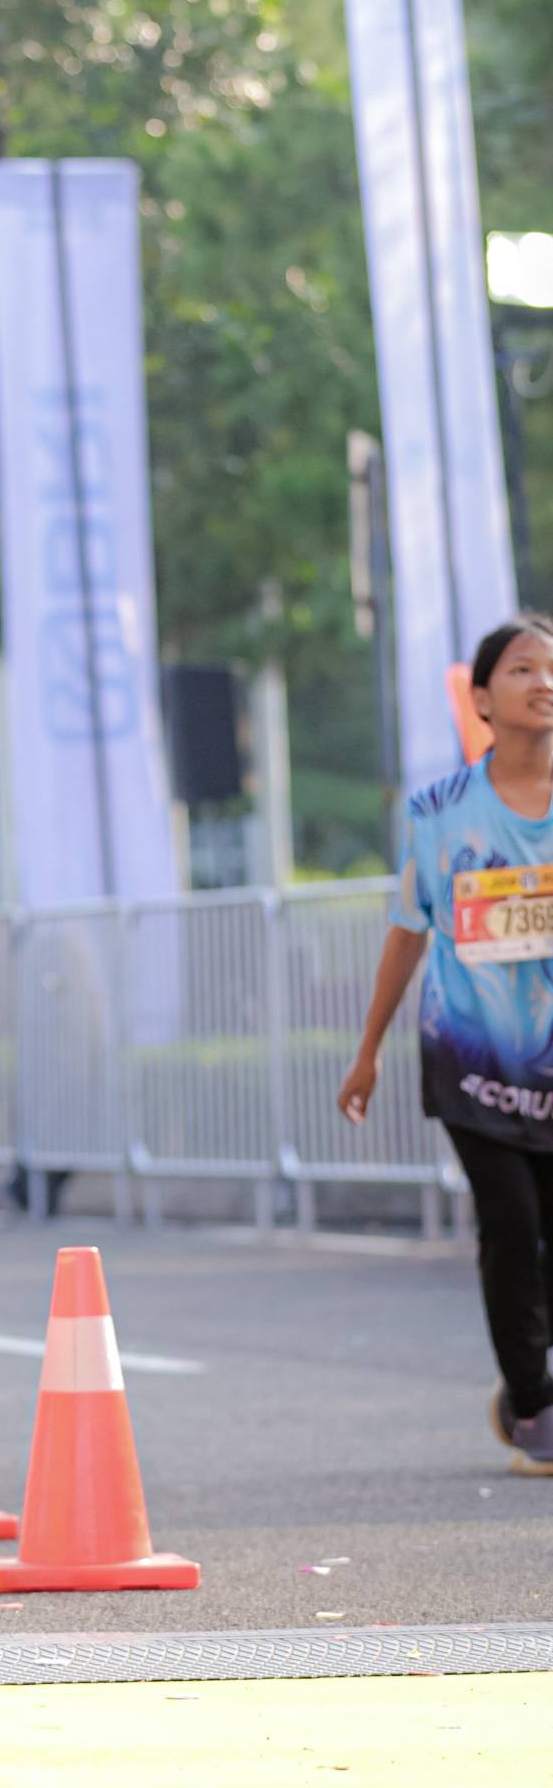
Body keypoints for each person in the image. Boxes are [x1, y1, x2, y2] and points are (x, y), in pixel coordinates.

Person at [339, 613, 553, 1474]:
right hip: (472, 1060)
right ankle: (534, 1407)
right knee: (512, 1225)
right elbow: (407, 931)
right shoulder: (440, 810)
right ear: (482, 699)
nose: (544, 683)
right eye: (523, 669)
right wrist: (368, 1049)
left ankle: (524, 1379)